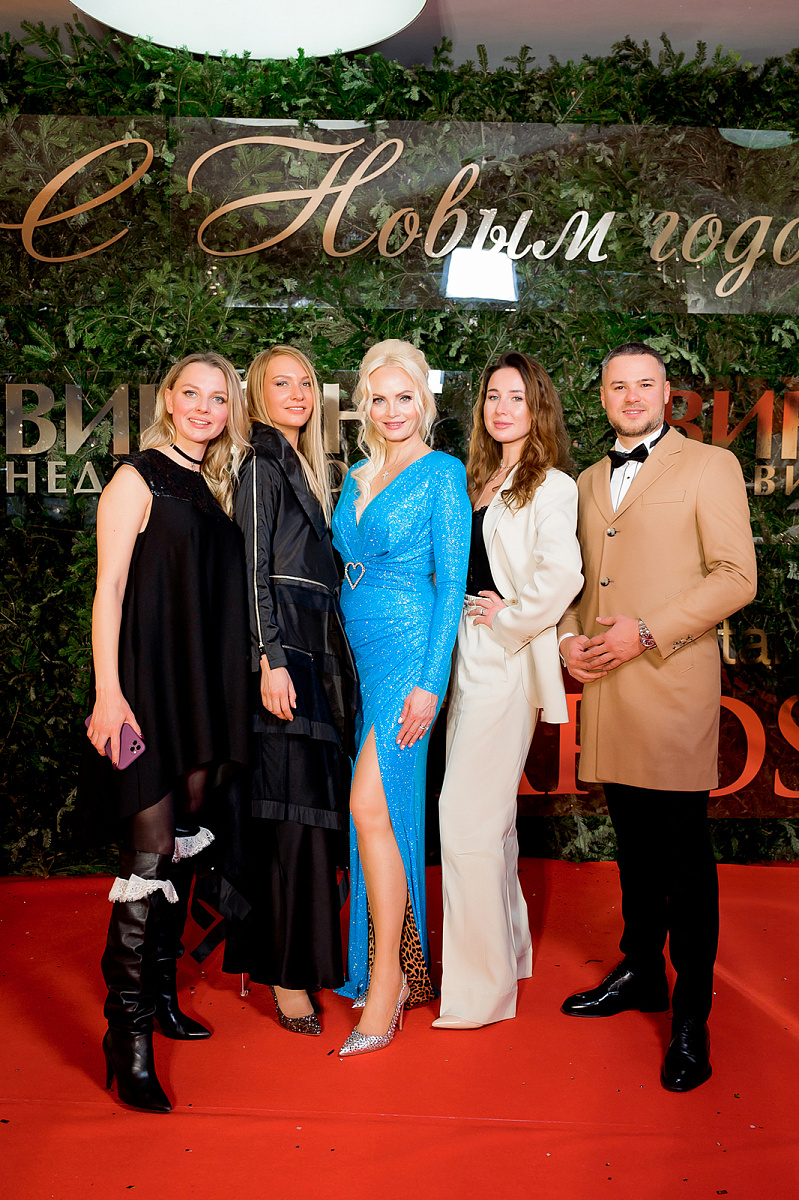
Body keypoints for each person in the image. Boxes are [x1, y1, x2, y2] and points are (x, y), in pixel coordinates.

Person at [558, 340, 757, 1092]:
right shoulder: (585, 480)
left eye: (645, 384)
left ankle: (691, 1017)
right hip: (608, 690)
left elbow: (735, 576)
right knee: (632, 847)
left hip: (669, 683)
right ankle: (642, 970)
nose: (632, 396)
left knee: (682, 859)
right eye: (618, 386)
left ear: (667, 393)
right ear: (603, 397)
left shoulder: (710, 466)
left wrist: (645, 631)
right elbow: (579, 580)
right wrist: (568, 638)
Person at [83, 352, 251, 1113]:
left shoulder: (213, 486)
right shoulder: (136, 477)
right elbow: (110, 589)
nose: (204, 408)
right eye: (193, 394)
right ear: (169, 400)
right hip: (146, 688)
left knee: (181, 843)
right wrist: (108, 695)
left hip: (201, 692)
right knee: (149, 851)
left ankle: (158, 995)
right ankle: (128, 1035)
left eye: (219, 398)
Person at [434, 352, 583, 1030]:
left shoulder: (550, 484)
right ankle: (511, 953)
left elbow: (562, 575)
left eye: (516, 397)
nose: (502, 408)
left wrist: (509, 617)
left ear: (537, 407)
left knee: (464, 818)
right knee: (489, 821)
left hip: (506, 660)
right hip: (467, 658)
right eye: (493, 396)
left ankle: (479, 991)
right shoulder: (478, 478)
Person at [331, 339, 471, 1057]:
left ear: (426, 401)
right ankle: (391, 965)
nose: (392, 411)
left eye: (405, 397)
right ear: (364, 405)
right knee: (376, 818)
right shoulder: (356, 473)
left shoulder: (443, 473)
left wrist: (430, 683)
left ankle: (387, 979)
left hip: (409, 653)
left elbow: (452, 584)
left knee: (369, 805)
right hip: (357, 656)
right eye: (378, 398)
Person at [221, 347, 359, 1035]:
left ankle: (296, 961)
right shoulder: (259, 463)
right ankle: (283, 974)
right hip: (284, 659)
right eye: (282, 383)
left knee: (309, 818)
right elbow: (251, 571)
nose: (298, 393)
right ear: (257, 394)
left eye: (305, 382)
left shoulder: (306, 465)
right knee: (290, 818)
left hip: (314, 653)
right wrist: (268, 659)